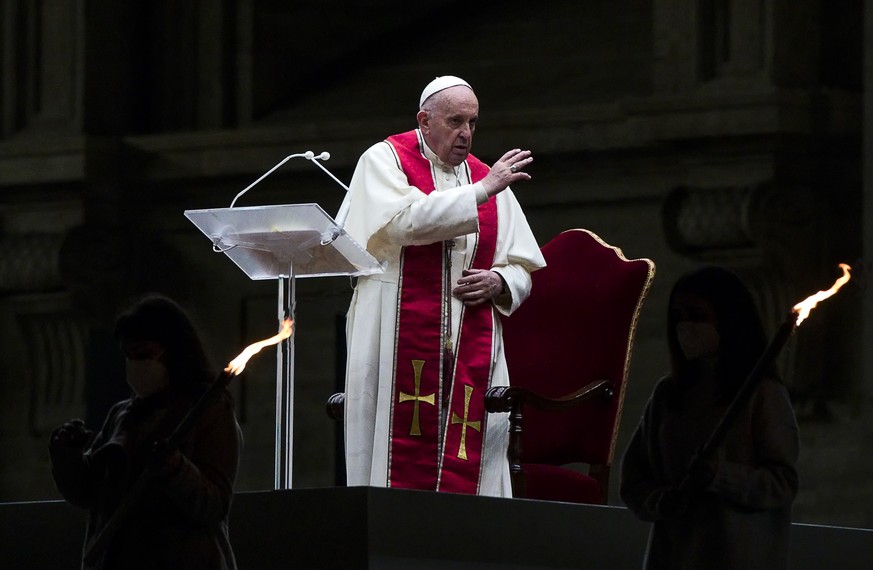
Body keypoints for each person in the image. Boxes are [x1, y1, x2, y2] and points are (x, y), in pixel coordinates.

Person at [341, 75, 546, 496]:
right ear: (424, 119)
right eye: (455, 121)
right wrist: (482, 191)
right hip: (394, 334)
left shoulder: (485, 178)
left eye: (472, 122)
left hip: (469, 344)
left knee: (474, 465)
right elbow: (405, 222)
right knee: (389, 457)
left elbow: (524, 266)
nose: (466, 133)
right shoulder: (384, 161)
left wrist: (500, 279)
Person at [620, 266, 800, 569]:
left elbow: (781, 484)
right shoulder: (668, 395)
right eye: (679, 317)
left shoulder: (763, 394)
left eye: (698, 316)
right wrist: (661, 501)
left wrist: (720, 476)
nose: (686, 326)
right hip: (673, 555)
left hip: (738, 557)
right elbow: (634, 480)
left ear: (728, 320)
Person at [49, 294, 242, 570]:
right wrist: (67, 454)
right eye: (128, 356)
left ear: (174, 351)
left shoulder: (209, 412)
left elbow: (213, 506)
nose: (135, 365)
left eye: (143, 354)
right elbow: (88, 493)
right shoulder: (123, 415)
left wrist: (176, 469)